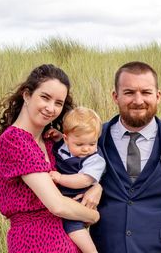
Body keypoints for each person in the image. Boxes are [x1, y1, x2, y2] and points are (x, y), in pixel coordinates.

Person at [89, 61, 161, 253]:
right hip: (104, 247)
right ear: (115, 96)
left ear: (158, 96)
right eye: (129, 92)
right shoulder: (93, 138)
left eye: (146, 92)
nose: (138, 100)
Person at [0, 64, 100, 253]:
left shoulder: (49, 142)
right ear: (26, 95)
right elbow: (57, 205)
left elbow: (81, 169)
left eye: (58, 103)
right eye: (45, 97)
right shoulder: (14, 141)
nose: (51, 108)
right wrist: (94, 216)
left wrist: (97, 187)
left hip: (65, 238)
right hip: (33, 242)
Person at [51, 107, 106, 253]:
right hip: (62, 199)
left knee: (74, 228)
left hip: (78, 200)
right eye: (80, 144)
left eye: (92, 143)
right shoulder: (65, 147)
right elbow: (61, 147)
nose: (86, 149)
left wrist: (60, 178)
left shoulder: (95, 160)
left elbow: (84, 180)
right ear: (66, 139)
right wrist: (56, 137)